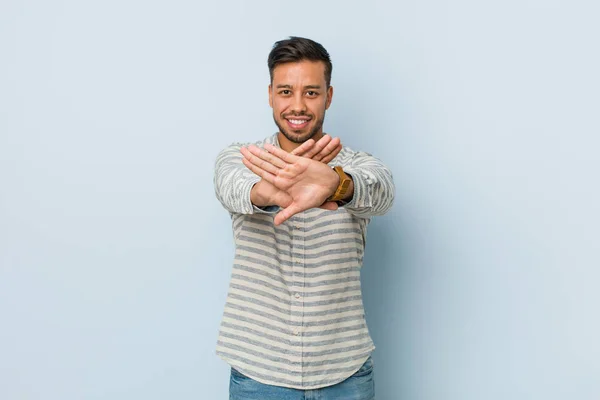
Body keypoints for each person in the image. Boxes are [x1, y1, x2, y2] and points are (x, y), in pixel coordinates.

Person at [213, 36, 395, 399]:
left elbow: (381, 191)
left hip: (344, 374)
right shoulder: (242, 158)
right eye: (285, 91)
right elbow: (231, 186)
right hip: (258, 375)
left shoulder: (358, 166)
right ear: (270, 95)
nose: (298, 105)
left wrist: (337, 184)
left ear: (328, 96)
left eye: (311, 93)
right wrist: (271, 191)